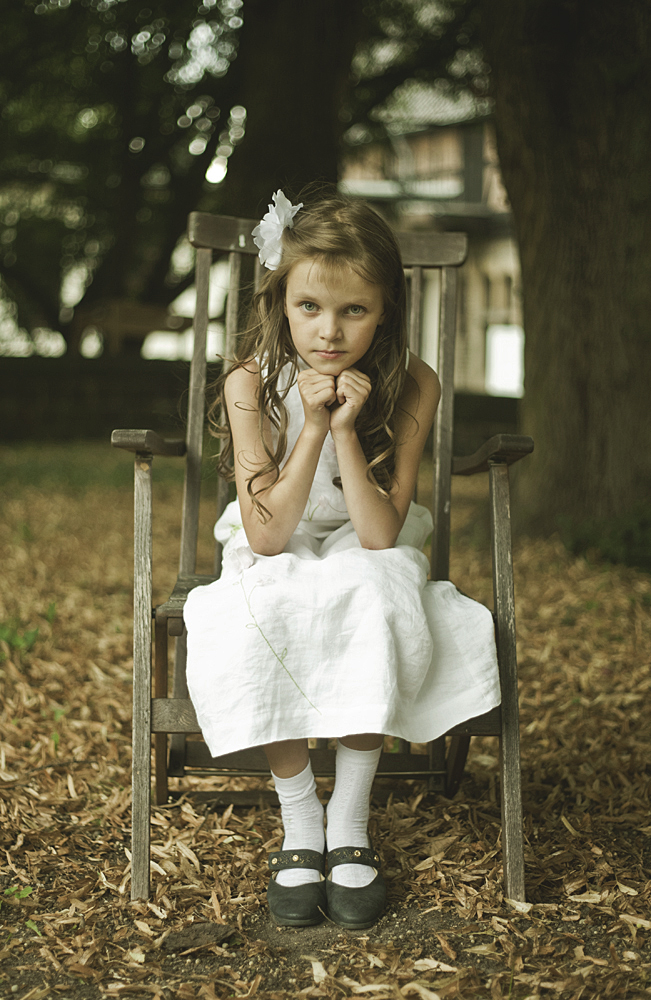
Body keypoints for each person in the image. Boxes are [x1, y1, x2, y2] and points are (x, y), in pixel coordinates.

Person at [184, 190, 501, 930]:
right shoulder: (249, 382)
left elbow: (380, 534)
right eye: (309, 309)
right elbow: (265, 535)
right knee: (263, 595)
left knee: (376, 586)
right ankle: (302, 822)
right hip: (278, 525)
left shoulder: (411, 381)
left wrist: (349, 431)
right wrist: (310, 428)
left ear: (385, 307)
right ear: (281, 302)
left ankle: (350, 821)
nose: (329, 332)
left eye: (353, 311)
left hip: (367, 529)